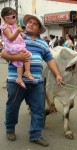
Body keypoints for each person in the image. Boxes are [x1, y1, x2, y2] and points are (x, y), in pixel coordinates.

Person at [1, 14, 63, 147]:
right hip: (15, 81)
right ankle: (10, 129)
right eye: (29, 22)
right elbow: (3, 53)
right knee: (12, 107)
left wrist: (57, 74)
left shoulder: (43, 43)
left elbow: (50, 59)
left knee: (39, 109)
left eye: (34, 23)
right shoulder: (17, 36)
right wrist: (19, 57)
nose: (30, 24)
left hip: (36, 82)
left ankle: (35, 135)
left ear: (39, 28)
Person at [0, 7, 34, 89]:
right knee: (25, 55)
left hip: (17, 44)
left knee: (20, 61)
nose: (15, 19)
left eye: (15, 16)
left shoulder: (13, 24)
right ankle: (27, 72)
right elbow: (11, 38)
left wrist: (21, 33)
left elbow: (17, 30)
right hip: (12, 46)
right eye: (14, 17)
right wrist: (18, 31)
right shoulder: (5, 27)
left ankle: (20, 78)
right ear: (6, 18)